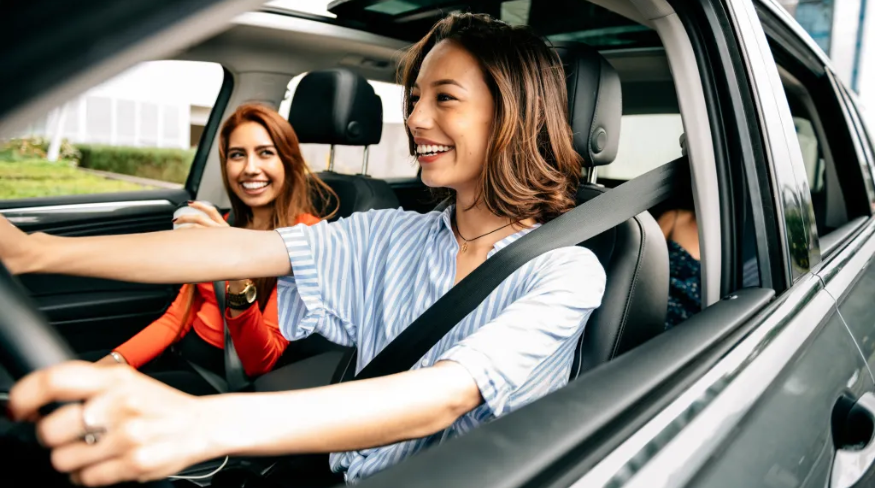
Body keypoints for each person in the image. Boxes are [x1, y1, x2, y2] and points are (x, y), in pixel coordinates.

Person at [3, 13, 606, 487]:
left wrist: (195, 422)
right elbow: (235, 252)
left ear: (512, 114)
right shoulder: (391, 235)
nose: (415, 118)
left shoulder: (565, 271)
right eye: (415, 98)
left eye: (444, 98)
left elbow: (445, 397)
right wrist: (37, 253)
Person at [94, 103, 333, 395]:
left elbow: (262, 361)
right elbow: (176, 318)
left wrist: (235, 267)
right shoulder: (224, 222)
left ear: (288, 161)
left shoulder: (307, 237)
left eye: (265, 153)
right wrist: (114, 362)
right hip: (182, 359)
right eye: (237, 155)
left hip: (221, 383)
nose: (250, 168)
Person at [650, 155, 701, 329]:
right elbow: (644, 266)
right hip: (654, 313)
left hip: (694, 328)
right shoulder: (674, 219)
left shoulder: (730, 238)